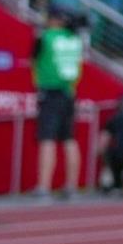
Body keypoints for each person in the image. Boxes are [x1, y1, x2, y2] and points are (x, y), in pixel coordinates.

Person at [31, 10, 84, 199]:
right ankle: (72, 185)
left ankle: (44, 186)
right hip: (69, 92)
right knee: (69, 139)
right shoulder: (75, 39)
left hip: (50, 92)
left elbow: (34, 57)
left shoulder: (45, 37)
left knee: (47, 139)